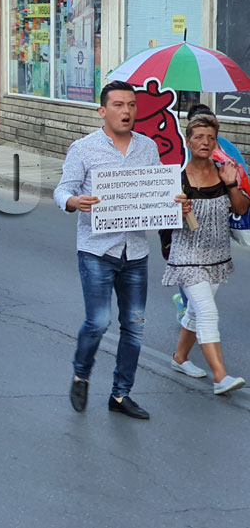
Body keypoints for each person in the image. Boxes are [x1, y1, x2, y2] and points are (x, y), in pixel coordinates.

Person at [54, 80, 191, 419]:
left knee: (135, 326)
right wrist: (74, 201)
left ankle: (120, 395)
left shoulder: (147, 147)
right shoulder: (83, 149)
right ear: (103, 110)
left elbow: (159, 192)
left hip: (135, 252)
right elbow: (62, 190)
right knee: (98, 321)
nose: (126, 111)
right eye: (118, 105)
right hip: (96, 250)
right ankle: (81, 373)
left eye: (131, 105)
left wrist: (176, 203)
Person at [164, 114, 247, 395]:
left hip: (217, 256)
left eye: (211, 138)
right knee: (208, 312)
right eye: (199, 137)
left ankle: (179, 358)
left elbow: (241, 209)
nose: (205, 142)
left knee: (195, 311)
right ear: (188, 141)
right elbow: (162, 219)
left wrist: (233, 184)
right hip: (187, 256)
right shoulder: (177, 178)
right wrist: (177, 210)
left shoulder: (224, 172)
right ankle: (220, 376)